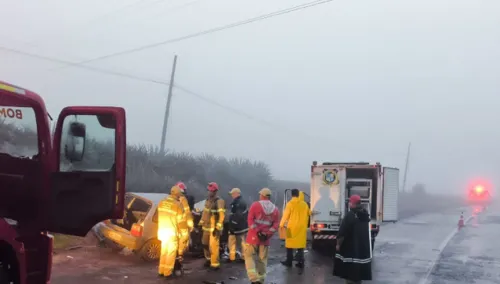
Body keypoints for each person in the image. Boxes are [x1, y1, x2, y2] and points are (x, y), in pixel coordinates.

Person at [333, 195, 372, 284]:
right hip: (362, 250)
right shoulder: (365, 215)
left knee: (350, 274)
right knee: (358, 275)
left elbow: (342, 232)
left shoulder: (350, 215)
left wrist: (338, 244)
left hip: (351, 250)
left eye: (350, 202)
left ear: (353, 204)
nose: (349, 204)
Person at [245, 188, 280, 284]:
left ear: (262, 195)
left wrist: (257, 232)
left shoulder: (255, 205)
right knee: (262, 260)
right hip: (265, 240)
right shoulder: (275, 209)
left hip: (253, 237)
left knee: (249, 257)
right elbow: (275, 225)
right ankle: (261, 280)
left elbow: (250, 220)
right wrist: (267, 234)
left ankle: (253, 279)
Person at [157, 185, 184, 279]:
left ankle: (161, 271)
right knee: (170, 253)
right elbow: (181, 222)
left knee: (163, 252)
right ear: (178, 194)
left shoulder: (162, 202)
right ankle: (167, 273)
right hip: (172, 233)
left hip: (162, 232)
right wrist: (184, 235)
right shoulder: (178, 204)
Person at [279, 189, 310, 269]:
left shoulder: (290, 204)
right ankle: (301, 262)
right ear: (298, 195)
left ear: (292, 195)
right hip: (302, 228)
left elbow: (285, 215)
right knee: (300, 246)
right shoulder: (304, 204)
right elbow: (309, 213)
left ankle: (289, 262)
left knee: (289, 245)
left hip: (291, 228)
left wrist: (281, 225)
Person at [198, 182, 226, 270]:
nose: (209, 192)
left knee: (214, 247)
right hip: (206, 227)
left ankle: (215, 264)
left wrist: (217, 228)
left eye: (211, 191)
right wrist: (200, 224)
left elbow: (222, 216)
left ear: (215, 192)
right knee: (204, 244)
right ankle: (208, 259)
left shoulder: (219, 201)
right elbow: (205, 213)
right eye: (208, 191)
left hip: (214, 229)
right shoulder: (207, 201)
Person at [174, 182, 194, 264]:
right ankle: (180, 255)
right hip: (182, 224)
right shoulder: (184, 200)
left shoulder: (170, 199)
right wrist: (191, 225)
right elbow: (187, 212)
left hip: (172, 224)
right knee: (183, 239)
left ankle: (176, 255)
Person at [227, 187, 248, 263]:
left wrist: (233, 224)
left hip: (239, 226)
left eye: (232, 194)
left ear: (237, 193)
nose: (231, 195)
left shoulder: (240, 203)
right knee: (237, 242)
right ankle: (236, 257)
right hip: (239, 226)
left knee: (240, 242)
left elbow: (238, 215)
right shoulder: (237, 201)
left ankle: (242, 258)